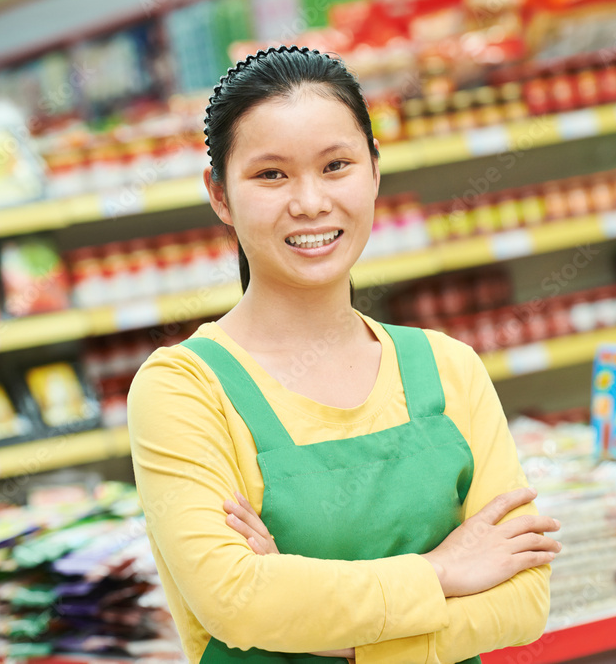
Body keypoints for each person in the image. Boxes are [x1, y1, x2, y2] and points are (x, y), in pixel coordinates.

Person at [127, 45, 559, 664]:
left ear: (374, 172)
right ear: (220, 195)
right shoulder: (182, 389)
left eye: (336, 165)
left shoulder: (448, 366)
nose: (310, 202)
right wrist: (441, 571)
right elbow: (237, 601)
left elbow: (521, 604)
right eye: (271, 175)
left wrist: (314, 628)